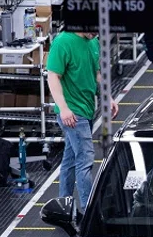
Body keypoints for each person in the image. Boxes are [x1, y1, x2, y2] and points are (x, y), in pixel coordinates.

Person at [46, 32, 118, 215]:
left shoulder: (92, 42)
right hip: (72, 113)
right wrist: (63, 108)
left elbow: (97, 74)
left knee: (70, 160)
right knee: (86, 159)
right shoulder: (63, 42)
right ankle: (88, 212)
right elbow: (53, 76)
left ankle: (64, 207)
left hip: (86, 111)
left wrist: (107, 97)